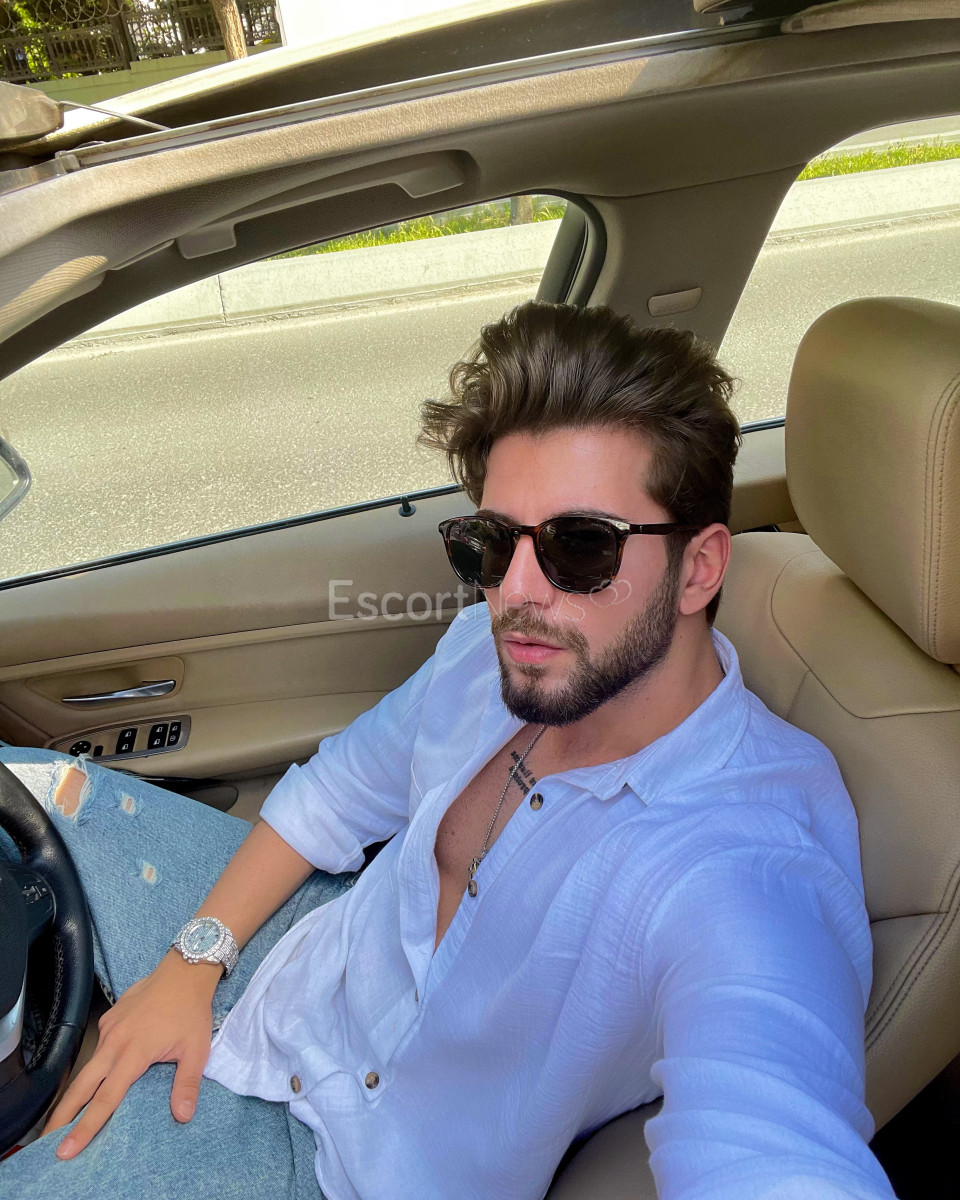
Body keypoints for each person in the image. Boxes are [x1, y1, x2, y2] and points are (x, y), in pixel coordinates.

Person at [0, 302, 894, 1200]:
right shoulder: (484, 656)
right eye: (494, 543)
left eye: (582, 547)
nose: (517, 593)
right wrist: (192, 963)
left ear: (699, 568)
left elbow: (767, 1140)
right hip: (302, 963)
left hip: (347, 1170)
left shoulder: (744, 859)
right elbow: (333, 796)